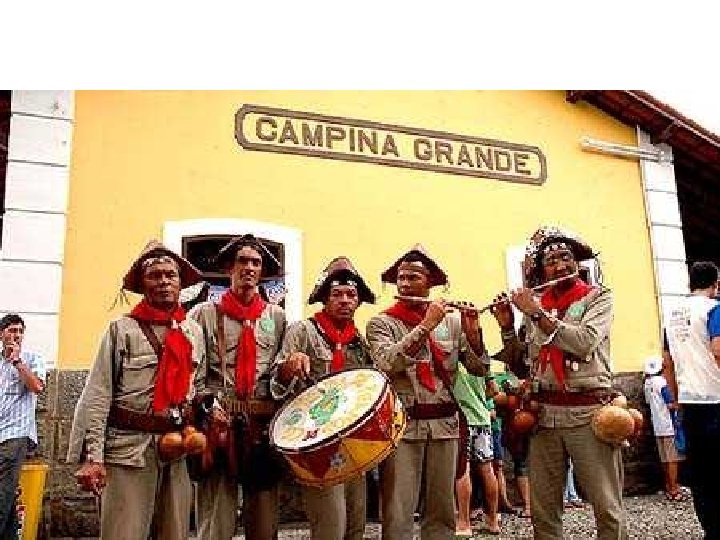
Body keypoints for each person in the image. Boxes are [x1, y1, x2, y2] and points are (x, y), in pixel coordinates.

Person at [67, 240, 206, 540]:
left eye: (170, 275)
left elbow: (197, 387)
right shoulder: (121, 330)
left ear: (181, 283)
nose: (164, 281)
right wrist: (94, 458)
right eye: (155, 275)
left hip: (176, 451)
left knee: (175, 533)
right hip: (128, 452)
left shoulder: (193, 332)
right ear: (142, 284)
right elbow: (97, 395)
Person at [501, 225, 626, 540]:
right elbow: (521, 363)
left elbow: (584, 342)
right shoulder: (537, 305)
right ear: (541, 270)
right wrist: (506, 325)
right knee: (543, 511)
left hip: (588, 413)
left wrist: (536, 313)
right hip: (544, 416)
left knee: (606, 506)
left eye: (566, 257)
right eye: (551, 261)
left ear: (577, 262)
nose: (560, 265)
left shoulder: (598, 297)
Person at [366, 244, 490, 540]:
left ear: (430, 283)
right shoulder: (381, 323)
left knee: (442, 508)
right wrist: (426, 325)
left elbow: (479, 369)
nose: (404, 284)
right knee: (398, 508)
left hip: (444, 425)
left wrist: (474, 333)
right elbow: (388, 362)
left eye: (413, 278)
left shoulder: (453, 322)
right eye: (401, 278)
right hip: (403, 427)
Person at [189, 234, 287, 540]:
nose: (249, 268)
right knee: (216, 522)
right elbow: (192, 375)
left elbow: (280, 372)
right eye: (242, 261)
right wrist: (207, 407)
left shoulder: (277, 317)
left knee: (264, 522)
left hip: (261, 425)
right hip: (220, 426)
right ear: (229, 268)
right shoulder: (204, 314)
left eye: (256, 263)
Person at [271, 256, 376, 540]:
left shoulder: (359, 342)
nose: (345, 300)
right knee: (331, 525)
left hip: (352, 442)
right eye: (337, 294)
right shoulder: (302, 331)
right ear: (324, 299)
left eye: (351, 295)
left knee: (356, 524)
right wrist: (289, 366)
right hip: (317, 444)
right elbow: (276, 383)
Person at [664, 261, 720, 538]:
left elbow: (667, 362)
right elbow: (718, 350)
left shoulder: (672, 314)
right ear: (716, 284)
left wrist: (676, 398)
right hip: (715, 398)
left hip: (690, 400)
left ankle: (710, 527)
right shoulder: (713, 309)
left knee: (701, 471)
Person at [0, 314, 45, 540]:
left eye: (20, 331)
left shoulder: (33, 358)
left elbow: (37, 387)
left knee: (2, 493)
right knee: (7, 499)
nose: (16, 335)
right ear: (1, 334)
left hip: (16, 434)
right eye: (11, 331)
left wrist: (17, 362)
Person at [453, 364, 500, 537]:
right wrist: (477, 397)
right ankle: (493, 521)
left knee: (462, 470)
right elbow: (494, 389)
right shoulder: (481, 360)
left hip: (462, 419)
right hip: (483, 418)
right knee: (488, 470)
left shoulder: (454, 359)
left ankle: (464, 522)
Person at [642, 356, 686, 502]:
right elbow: (670, 404)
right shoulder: (662, 382)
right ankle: (674, 489)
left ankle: (668, 486)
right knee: (672, 458)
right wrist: (679, 406)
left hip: (657, 425)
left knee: (664, 459)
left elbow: (648, 402)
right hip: (668, 425)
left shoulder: (647, 384)